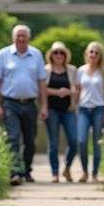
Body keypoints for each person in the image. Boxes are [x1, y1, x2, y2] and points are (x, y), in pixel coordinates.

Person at [0, 25, 48, 185]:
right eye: (18, 36)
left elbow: (42, 82)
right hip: (10, 104)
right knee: (13, 138)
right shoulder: (3, 54)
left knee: (30, 140)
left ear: (29, 38)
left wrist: (44, 106)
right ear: (13, 37)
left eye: (24, 36)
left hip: (30, 104)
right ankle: (15, 172)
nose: (21, 38)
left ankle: (27, 171)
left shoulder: (36, 54)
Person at [75, 41, 104, 183]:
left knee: (97, 143)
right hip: (83, 109)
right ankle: (84, 172)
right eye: (91, 51)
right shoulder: (80, 71)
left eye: (96, 52)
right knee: (81, 141)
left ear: (100, 56)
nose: (93, 54)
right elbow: (78, 91)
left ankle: (95, 174)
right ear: (87, 53)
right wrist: (73, 106)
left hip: (99, 109)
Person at [44, 41, 78, 183]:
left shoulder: (72, 70)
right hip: (52, 110)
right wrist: (57, 92)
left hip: (68, 110)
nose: (59, 55)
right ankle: (55, 173)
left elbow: (77, 90)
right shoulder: (45, 70)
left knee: (74, 140)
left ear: (65, 55)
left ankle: (67, 168)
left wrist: (68, 91)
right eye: (56, 52)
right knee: (53, 143)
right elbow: (41, 90)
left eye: (61, 53)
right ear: (51, 55)